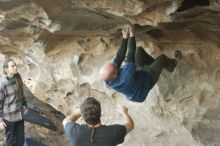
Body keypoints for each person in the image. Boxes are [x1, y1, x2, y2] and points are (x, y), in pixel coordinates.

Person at [99, 25, 181, 102]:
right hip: (144, 85)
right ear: (114, 74)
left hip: (137, 77)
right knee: (162, 59)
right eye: (114, 67)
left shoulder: (109, 78)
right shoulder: (125, 78)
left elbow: (119, 56)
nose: (114, 65)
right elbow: (131, 54)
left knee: (139, 51)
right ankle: (172, 66)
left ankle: (156, 67)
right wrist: (131, 34)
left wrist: (124, 37)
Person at [63, 97, 134, 146]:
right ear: (100, 114)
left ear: (83, 118)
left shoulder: (74, 132)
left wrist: (80, 112)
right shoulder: (114, 133)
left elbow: (65, 121)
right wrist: (124, 112)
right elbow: (130, 125)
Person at [0, 58, 28, 146]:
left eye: (15, 65)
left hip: (19, 116)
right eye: (12, 66)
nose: (15, 67)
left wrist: (25, 105)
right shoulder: (2, 83)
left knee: (20, 141)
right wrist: (0, 120)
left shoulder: (18, 79)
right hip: (9, 118)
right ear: (6, 69)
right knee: (10, 142)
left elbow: (21, 95)